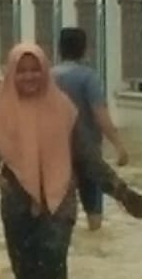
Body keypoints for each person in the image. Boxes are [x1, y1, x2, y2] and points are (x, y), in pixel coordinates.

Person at [0, 43, 142, 279]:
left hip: (60, 200)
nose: (29, 77)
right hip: (17, 203)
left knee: (54, 257)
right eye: (22, 71)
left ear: (45, 72)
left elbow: (88, 158)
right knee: (25, 269)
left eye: (35, 70)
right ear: (11, 75)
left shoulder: (64, 111)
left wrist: (120, 191)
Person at [53, 27, 132, 231]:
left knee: (59, 209)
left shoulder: (48, 77)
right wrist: (119, 146)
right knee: (94, 213)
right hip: (88, 153)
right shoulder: (88, 77)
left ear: (59, 49)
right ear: (84, 49)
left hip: (56, 153)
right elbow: (100, 114)